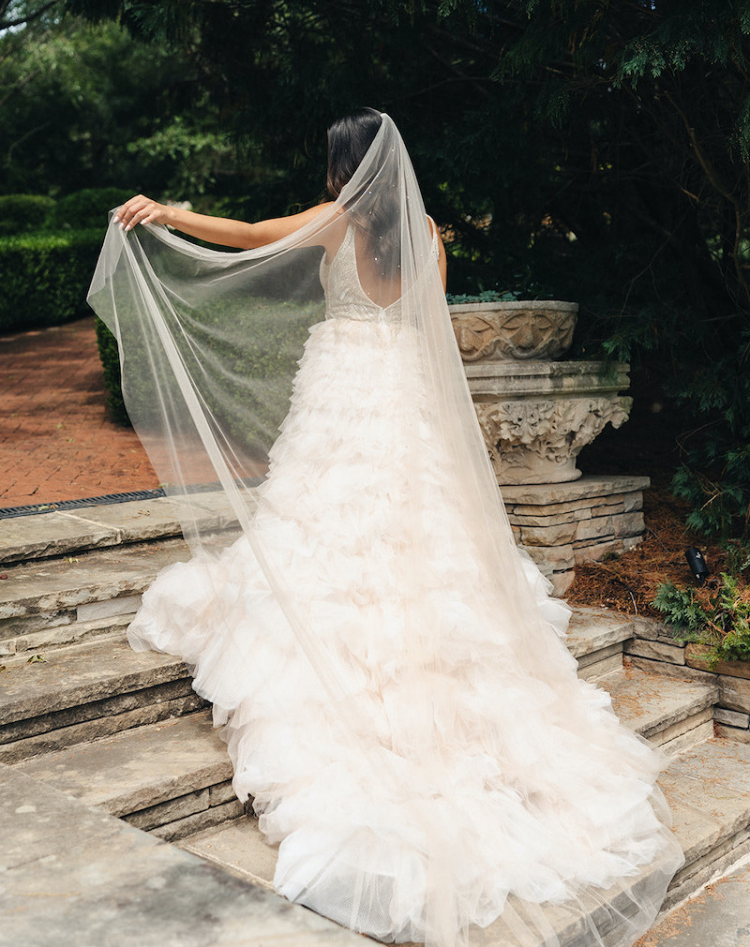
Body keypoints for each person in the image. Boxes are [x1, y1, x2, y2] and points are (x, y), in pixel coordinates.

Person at [90, 109, 683, 947]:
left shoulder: (333, 222)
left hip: (342, 387)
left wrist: (170, 213)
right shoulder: (431, 238)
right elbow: (432, 337)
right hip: (403, 394)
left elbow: (252, 234)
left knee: (326, 522)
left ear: (346, 169)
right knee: (414, 532)